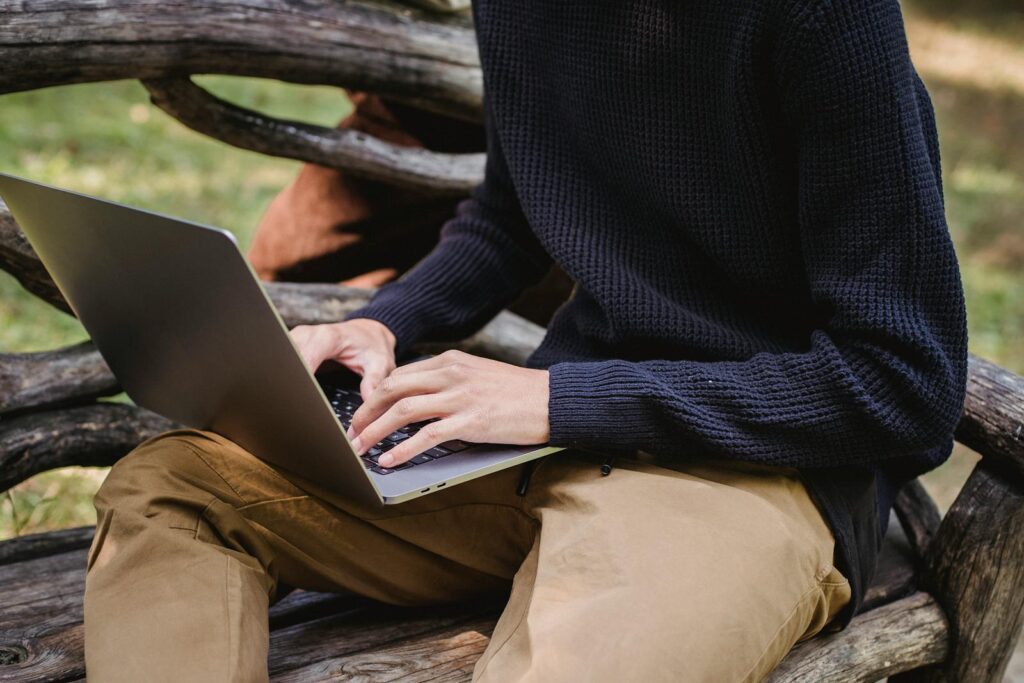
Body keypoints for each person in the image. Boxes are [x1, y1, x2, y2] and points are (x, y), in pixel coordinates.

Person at [83, 0, 968, 680]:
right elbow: (511, 218)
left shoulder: (827, 18)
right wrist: (382, 323)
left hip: (748, 476)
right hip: (544, 444)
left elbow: (904, 385)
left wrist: (554, 398)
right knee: (175, 488)